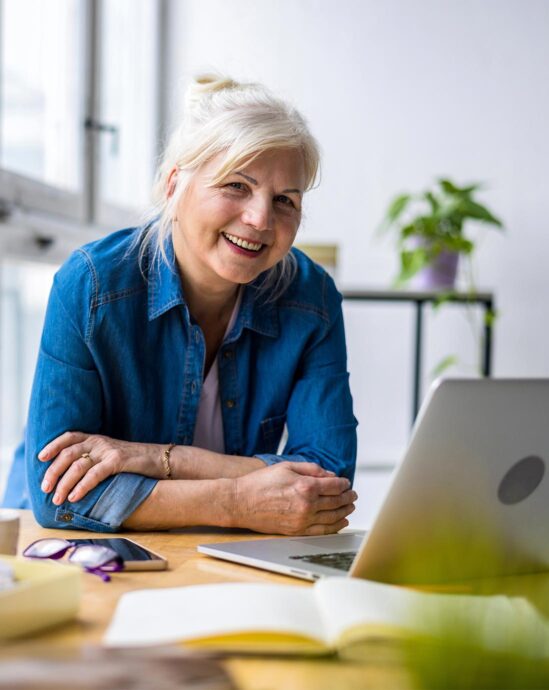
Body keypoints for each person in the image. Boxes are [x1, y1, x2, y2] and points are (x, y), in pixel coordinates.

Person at [10, 75, 358, 534]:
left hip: (215, 549)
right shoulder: (92, 286)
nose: (259, 219)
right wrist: (236, 500)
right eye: (236, 186)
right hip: (60, 544)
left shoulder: (311, 299)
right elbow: (59, 498)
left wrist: (155, 459)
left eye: (284, 200)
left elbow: (328, 484)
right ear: (174, 185)